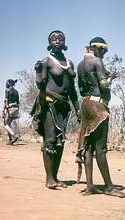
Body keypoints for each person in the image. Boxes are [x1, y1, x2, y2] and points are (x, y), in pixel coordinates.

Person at [76, 37, 125, 198]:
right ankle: (109, 187)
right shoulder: (97, 61)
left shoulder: (80, 65)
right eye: (104, 50)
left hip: (85, 104)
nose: (104, 54)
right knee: (101, 149)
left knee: (88, 147)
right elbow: (104, 85)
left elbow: (82, 88)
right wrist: (110, 78)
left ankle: (90, 185)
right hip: (97, 107)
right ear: (96, 48)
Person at [31, 30, 80, 189]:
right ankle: (49, 179)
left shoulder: (70, 63)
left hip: (64, 106)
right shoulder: (46, 61)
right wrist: (38, 72)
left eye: (60, 38)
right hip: (50, 103)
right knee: (50, 140)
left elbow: (72, 89)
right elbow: (41, 84)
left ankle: (56, 177)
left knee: (60, 143)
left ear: (64, 42)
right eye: (54, 39)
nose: (57, 41)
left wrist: (77, 109)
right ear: (49, 42)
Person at [2, 79, 19, 145]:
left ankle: (14, 136)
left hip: (10, 109)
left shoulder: (7, 90)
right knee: (10, 124)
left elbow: (6, 101)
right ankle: (10, 140)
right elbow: (18, 103)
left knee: (5, 124)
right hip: (16, 109)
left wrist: (4, 110)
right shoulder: (16, 91)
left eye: (7, 83)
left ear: (9, 84)